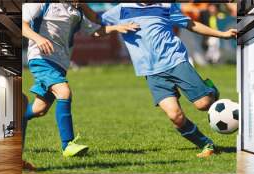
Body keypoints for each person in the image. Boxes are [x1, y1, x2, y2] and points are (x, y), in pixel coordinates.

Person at [83, 3, 237, 158]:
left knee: (203, 104)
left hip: (175, 61)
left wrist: (221, 34)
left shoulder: (166, 6)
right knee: (175, 116)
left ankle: (209, 89)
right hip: (151, 72)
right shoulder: (123, 9)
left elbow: (191, 24)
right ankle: (206, 144)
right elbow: (97, 18)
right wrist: (83, 5)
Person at [22, 3, 139, 157]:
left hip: (60, 64)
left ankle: (18, 117)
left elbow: (94, 31)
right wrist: (38, 38)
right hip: (41, 59)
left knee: (39, 109)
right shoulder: (42, 3)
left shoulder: (76, 12)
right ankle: (68, 145)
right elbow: (23, 25)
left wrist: (117, 28)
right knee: (64, 92)